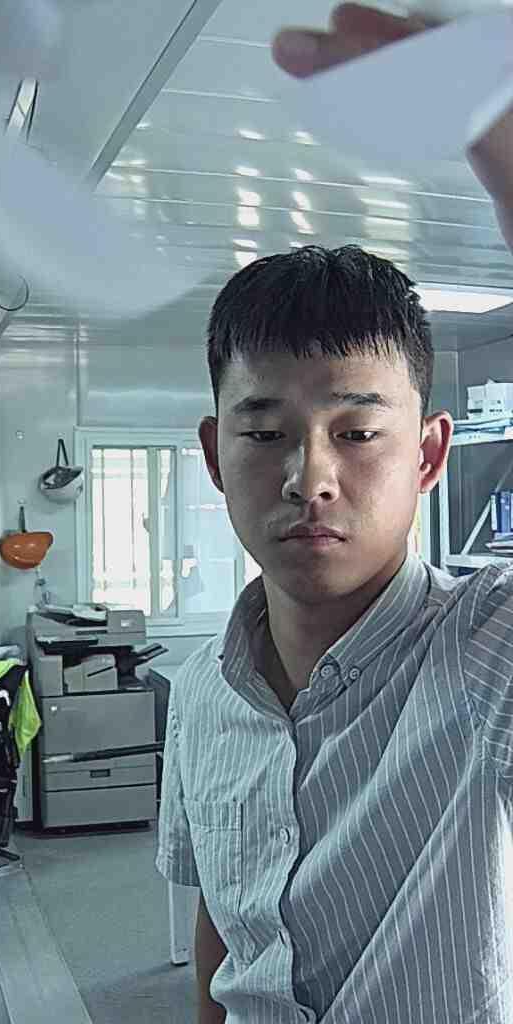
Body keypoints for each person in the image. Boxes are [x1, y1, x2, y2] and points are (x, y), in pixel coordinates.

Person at [155, 6, 513, 1022]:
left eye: (356, 433)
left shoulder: (487, 652)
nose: (309, 477)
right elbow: (226, 931)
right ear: (215, 455)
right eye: (265, 431)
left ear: (429, 454)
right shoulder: (202, 692)